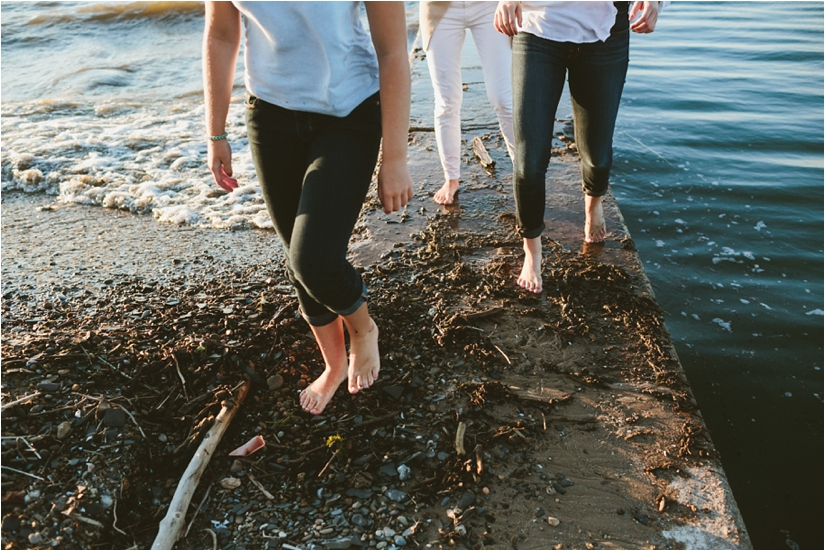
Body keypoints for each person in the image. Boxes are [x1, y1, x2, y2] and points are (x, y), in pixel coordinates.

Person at [202, 1, 413, 415]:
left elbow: (392, 52)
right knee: (296, 256)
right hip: (270, 116)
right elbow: (221, 35)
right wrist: (216, 132)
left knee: (312, 257)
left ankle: (363, 326)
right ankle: (333, 365)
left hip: (348, 113)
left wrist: (395, 158)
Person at [494, 1, 663, 293]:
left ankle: (593, 203)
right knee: (528, 161)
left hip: (606, 30)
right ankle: (532, 251)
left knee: (596, 155)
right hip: (537, 25)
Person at [421, 1, 516, 205]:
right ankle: (451, 178)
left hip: (489, 5)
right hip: (439, 7)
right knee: (446, 101)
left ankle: (524, 175)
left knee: (504, 99)